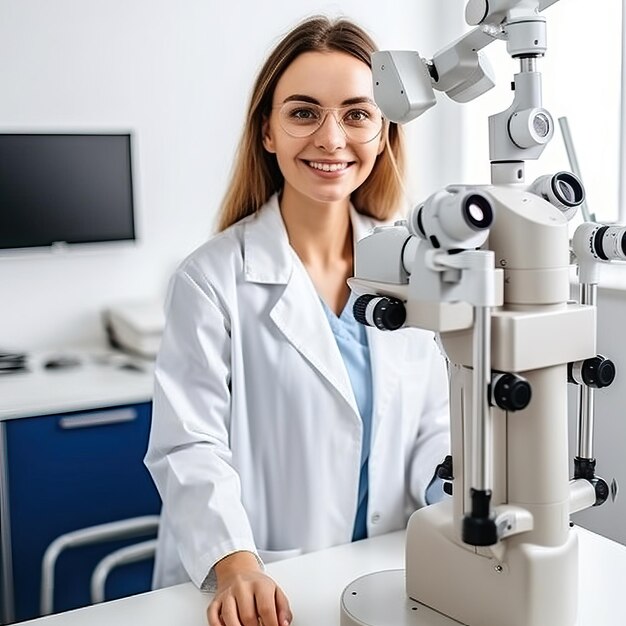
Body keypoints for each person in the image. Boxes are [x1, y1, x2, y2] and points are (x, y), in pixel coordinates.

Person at [144, 15, 450, 626]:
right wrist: (235, 564)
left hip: (390, 568)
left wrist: (460, 496)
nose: (332, 139)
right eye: (304, 112)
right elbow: (189, 445)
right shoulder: (212, 278)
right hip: (263, 584)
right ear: (268, 132)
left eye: (358, 114)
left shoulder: (413, 268)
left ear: (385, 131)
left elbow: (430, 427)